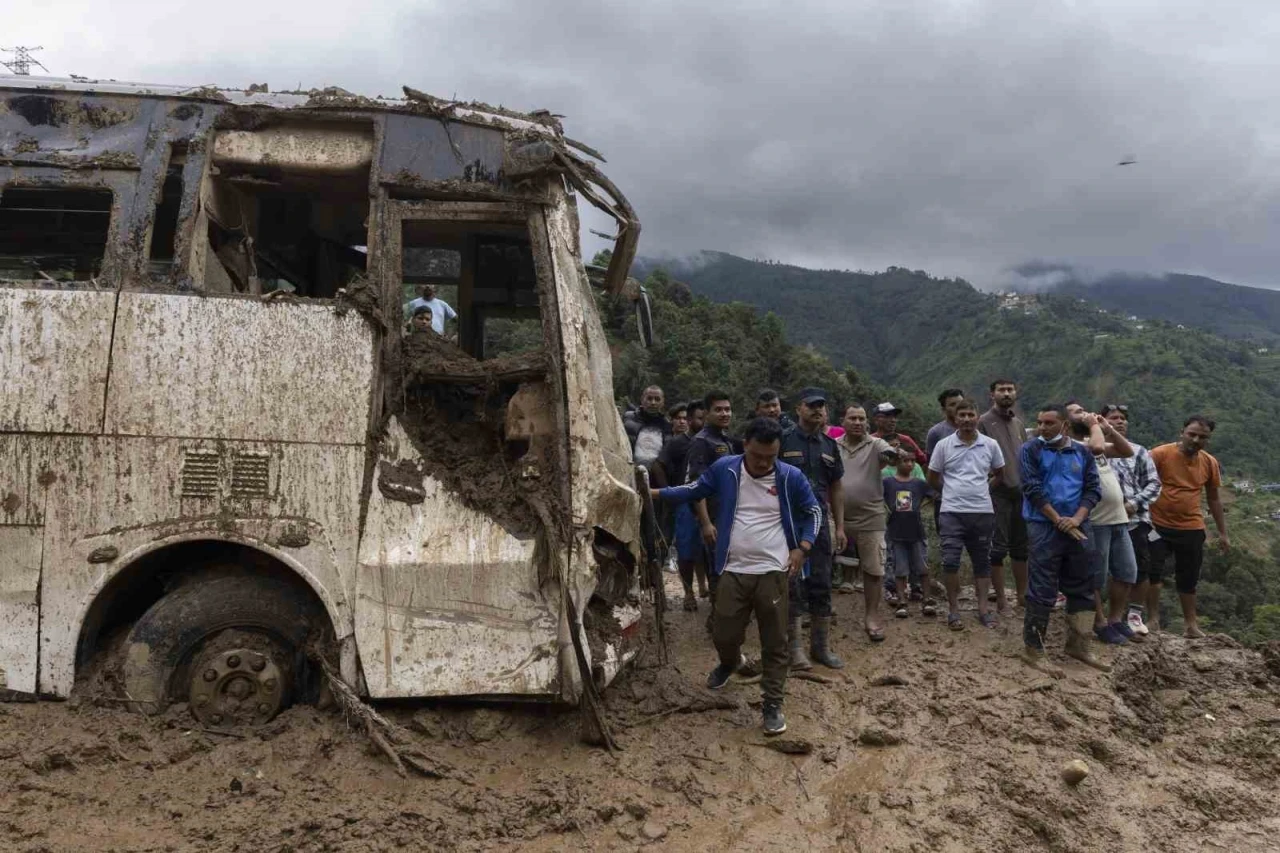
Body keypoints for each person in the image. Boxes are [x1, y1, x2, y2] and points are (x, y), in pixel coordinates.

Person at [651, 417, 822, 736]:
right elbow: (693, 489)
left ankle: (772, 703)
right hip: (732, 568)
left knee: (775, 641)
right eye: (758, 455)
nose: (763, 462)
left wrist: (802, 548)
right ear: (746, 445)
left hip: (774, 571)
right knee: (723, 632)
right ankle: (730, 662)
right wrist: (653, 493)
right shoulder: (726, 469)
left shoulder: (790, 476)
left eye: (771, 456)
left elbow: (813, 511)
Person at [1018, 404, 1107, 671]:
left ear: (1065, 426)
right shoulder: (1030, 449)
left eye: (1048, 423)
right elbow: (1032, 489)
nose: (1042, 428)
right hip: (1043, 526)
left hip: (1079, 524)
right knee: (1043, 586)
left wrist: (1077, 519)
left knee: (1083, 583)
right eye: (1040, 423)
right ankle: (1034, 650)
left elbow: (1092, 489)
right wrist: (1058, 520)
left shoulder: (1081, 452)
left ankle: (1079, 645)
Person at [778, 387, 845, 669]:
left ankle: (820, 647)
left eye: (822, 406)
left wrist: (840, 526)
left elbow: (836, 486)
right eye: (811, 406)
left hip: (819, 524)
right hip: (789, 523)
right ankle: (794, 649)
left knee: (821, 581)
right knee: (791, 583)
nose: (817, 410)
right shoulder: (782, 440)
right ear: (799, 409)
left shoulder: (830, 446)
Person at [926, 399, 1005, 631]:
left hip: (982, 512)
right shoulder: (944, 445)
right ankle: (953, 610)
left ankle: (983, 610)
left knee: (982, 561)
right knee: (950, 561)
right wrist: (949, 492)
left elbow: (1000, 473)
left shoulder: (990, 445)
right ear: (955, 418)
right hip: (951, 512)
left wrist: (985, 489)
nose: (967, 419)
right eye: (962, 415)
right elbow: (932, 476)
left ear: (977, 416)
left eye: (971, 414)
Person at [1148, 416, 1229, 638]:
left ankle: (1191, 625)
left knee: (1189, 576)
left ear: (1208, 440)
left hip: (1191, 527)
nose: (1195, 439)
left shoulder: (1209, 462)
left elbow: (1213, 499)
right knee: (1152, 571)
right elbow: (1141, 483)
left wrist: (1223, 533)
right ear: (1181, 431)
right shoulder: (1159, 454)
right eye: (1191, 434)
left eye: (1202, 437)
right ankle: (1153, 619)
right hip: (1157, 525)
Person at [835, 404, 898, 641]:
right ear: (843, 421)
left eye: (862, 418)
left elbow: (889, 454)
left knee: (873, 568)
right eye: (853, 418)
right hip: (836, 516)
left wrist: (893, 455)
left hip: (870, 516)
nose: (858, 422)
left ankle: (871, 616)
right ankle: (817, 611)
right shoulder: (834, 445)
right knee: (819, 563)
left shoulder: (875, 443)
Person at [1102, 404, 1163, 637]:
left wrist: (1133, 503)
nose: (1120, 422)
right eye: (1113, 418)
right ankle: (1106, 617)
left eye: (1123, 418)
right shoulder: (1093, 448)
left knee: (1138, 568)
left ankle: (1134, 615)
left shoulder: (1139, 451)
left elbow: (1154, 483)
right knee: (1102, 569)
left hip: (1135, 519)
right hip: (1102, 520)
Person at [686, 391, 742, 627]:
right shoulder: (702, 442)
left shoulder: (725, 440)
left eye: (727, 409)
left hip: (730, 513)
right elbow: (697, 485)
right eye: (718, 409)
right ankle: (718, 620)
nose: (724, 413)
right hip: (714, 516)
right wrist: (706, 522)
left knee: (732, 565)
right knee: (718, 568)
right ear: (707, 413)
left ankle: (727, 616)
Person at [978, 379, 1028, 615]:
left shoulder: (1018, 423)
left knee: (1021, 548)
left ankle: (1022, 596)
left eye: (1010, 389)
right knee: (997, 548)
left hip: (1021, 493)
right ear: (992, 395)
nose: (1006, 393)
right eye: (1001, 390)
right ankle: (1001, 601)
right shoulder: (984, 422)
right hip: (997, 493)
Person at [653, 402, 709, 608]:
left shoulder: (714, 441)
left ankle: (707, 588)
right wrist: (669, 492)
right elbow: (658, 465)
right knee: (685, 549)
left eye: (705, 417)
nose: (701, 422)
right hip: (685, 500)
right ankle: (688, 593)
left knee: (707, 548)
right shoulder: (679, 442)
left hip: (710, 501)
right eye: (698, 418)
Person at [884, 449, 937, 618]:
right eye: (905, 461)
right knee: (900, 569)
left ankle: (927, 599)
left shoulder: (919, 484)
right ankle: (901, 601)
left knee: (922, 567)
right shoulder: (888, 483)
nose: (909, 464)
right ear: (896, 463)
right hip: (895, 531)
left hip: (917, 532)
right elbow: (877, 498)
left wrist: (920, 506)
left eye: (912, 461)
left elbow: (933, 495)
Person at [624, 385, 671, 467]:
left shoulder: (667, 425)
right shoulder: (629, 418)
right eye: (649, 399)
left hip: (656, 474)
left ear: (662, 402)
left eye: (657, 399)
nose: (653, 403)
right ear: (642, 400)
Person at [871, 402, 928, 466]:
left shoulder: (905, 440)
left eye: (894, 416)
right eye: (887, 416)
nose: (893, 420)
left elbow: (923, 460)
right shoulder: (869, 441)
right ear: (876, 419)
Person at [925, 388, 965, 459]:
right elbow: (931, 463)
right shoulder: (936, 432)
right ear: (944, 409)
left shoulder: (976, 428)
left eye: (961, 403)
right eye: (952, 405)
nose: (958, 407)